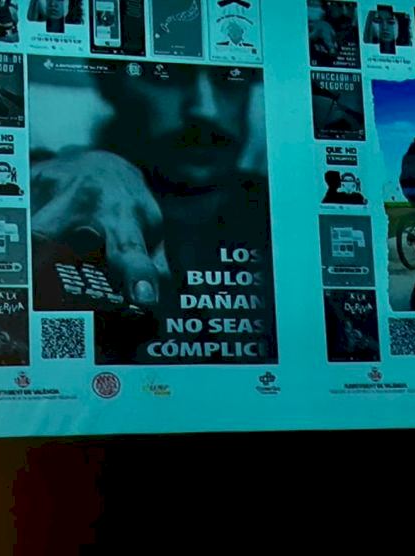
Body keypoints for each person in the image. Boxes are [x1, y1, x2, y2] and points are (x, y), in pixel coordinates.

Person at [29, 60, 276, 363]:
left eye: (230, 79)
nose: (206, 110)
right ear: (110, 84)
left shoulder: (283, 216)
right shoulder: (73, 193)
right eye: (168, 75)